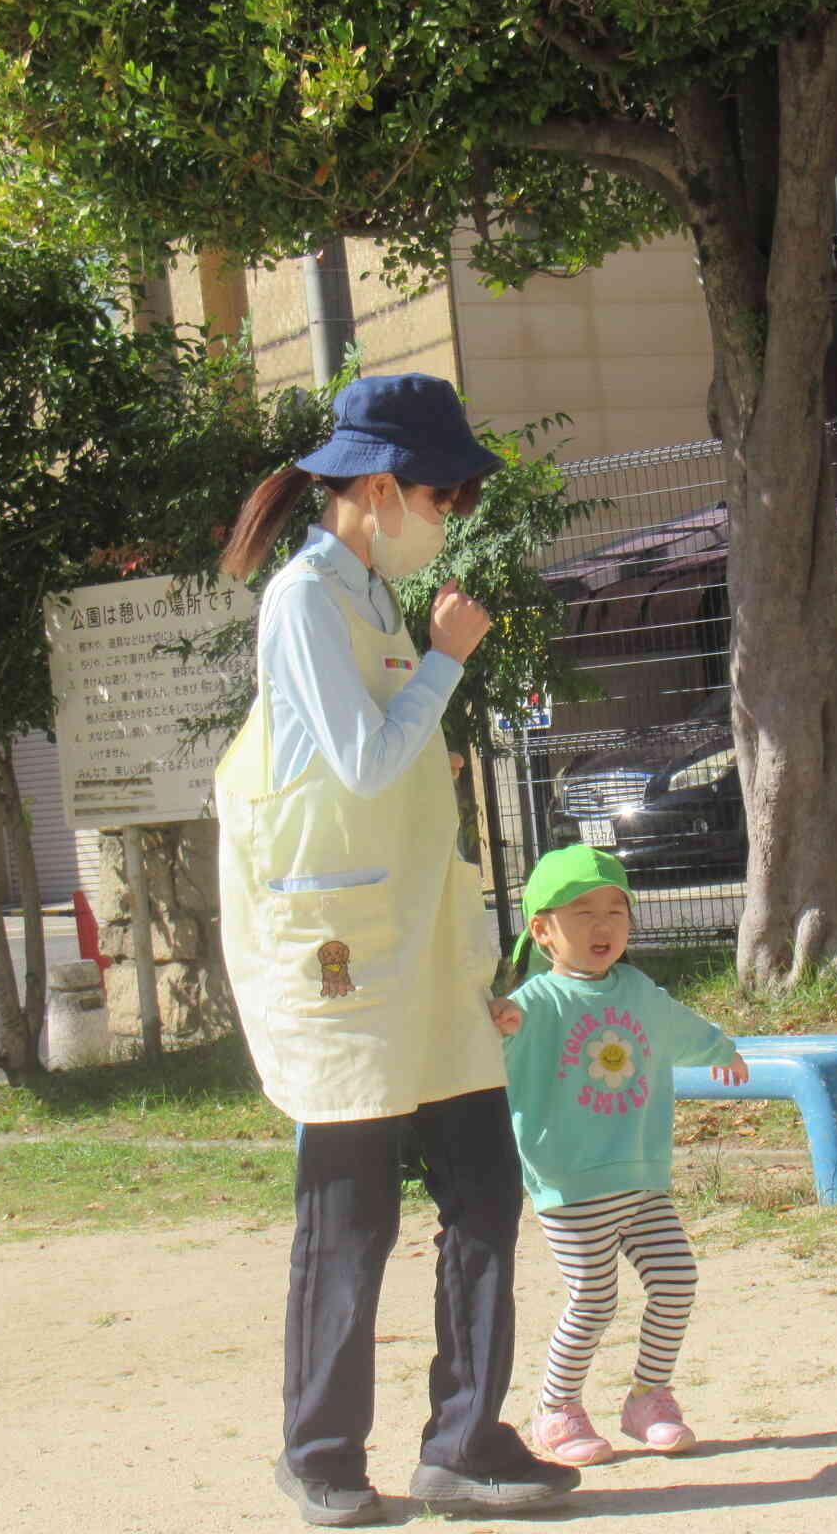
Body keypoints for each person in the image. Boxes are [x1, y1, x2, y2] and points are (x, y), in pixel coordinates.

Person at [213, 373, 578, 1526]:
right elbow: (365, 764)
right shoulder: (303, 601)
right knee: (351, 1212)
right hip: (342, 957)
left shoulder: (370, 595)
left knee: (484, 1189)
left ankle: (464, 1442)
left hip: (421, 948)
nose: (448, 519)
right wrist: (446, 659)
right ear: (375, 488)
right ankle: (320, 1456)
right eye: (440, 496)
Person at [500, 844, 749, 1467]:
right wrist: (495, 1024)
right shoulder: (535, 1003)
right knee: (593, 1298)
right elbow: (488, 1052)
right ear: (543, 931)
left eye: (616, 910)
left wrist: (720, 1048)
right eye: (583, 913)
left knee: (676, 1279)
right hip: (571, 1182)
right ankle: (556, 1408)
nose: (603, 925)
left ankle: (648, 1398)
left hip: (640, 1178)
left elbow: (680, 1025)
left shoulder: (637, 989)